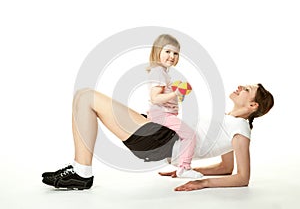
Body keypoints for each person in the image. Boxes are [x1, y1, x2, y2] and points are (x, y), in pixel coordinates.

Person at [42, 82, 274, 191]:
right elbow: (226, 167)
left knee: (86, 97)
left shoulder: (241, 131)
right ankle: (80, 171)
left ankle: (81, 173)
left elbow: (242, 177)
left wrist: (202, 182)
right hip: (162, 137)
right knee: (84, 99)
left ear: (253, 104)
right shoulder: (231, 122)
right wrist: (186, 167)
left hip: (162, 139)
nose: (241, 86)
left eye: (247, 89)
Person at [145, 34, 202, 178]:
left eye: (175, 53)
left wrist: (176, 95)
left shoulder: (162, 72)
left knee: (182, 136)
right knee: (189, 135)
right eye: (167, 52)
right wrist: (175, 93)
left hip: (163, 114)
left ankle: (180, 164)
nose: (172, 56)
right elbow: (155, 98)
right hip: (161, 115)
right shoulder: (158, 72)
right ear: (157, 51)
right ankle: (184, 168)